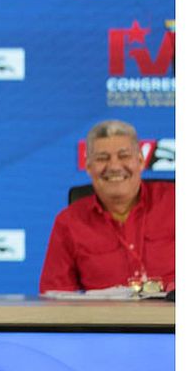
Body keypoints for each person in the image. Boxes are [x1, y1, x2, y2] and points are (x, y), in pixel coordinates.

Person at [39, 120, 174, 293]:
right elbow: (54, 296)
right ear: (89, 167)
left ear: (140, 161)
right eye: (102, 158)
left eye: (124, 156)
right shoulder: (69, 222)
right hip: (103, 312)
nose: (114, 166)